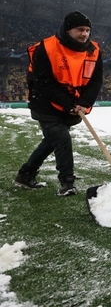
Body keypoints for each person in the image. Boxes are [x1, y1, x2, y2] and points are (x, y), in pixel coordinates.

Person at [14, 11, 103, 196]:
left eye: (87, 30)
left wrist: (83, 103)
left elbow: (95, 81)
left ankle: (25, 174)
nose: (85, 34)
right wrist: (69, 103)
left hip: (72, 104)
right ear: (68, 30)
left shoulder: (94, 50)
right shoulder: (46, 48)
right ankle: (67, 182)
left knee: (51, 141)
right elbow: (43, 82)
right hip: (45, 103)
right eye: (80, 30)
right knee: (61, 138)